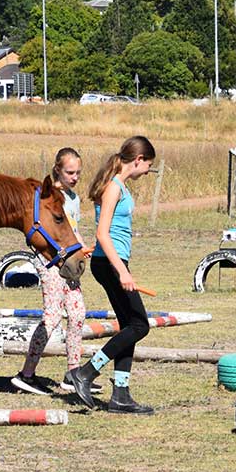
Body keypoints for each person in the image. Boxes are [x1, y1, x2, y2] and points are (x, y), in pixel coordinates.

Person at [67, 135, 157, 414]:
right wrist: (122, 272)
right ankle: (85, 373)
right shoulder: (114, 188)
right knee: (140, 325)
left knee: (130, 327)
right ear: (138, 160)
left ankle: (121, 395)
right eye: (148, 165)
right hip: (110, 264)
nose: (148, 172)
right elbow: (103, 233)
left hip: (112, 262)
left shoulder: (118, 185)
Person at [11, 148, 100, 396]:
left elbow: (72, 231)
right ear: (57, 170)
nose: (74, 177)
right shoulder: (48, 197)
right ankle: (26, 374)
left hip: (68, 260)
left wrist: (81, 249)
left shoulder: (74, 198)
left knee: (78, 313)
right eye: (70, 172)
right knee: (52, 316)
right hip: (50, 261)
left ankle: (73, 373)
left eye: (78, 173)